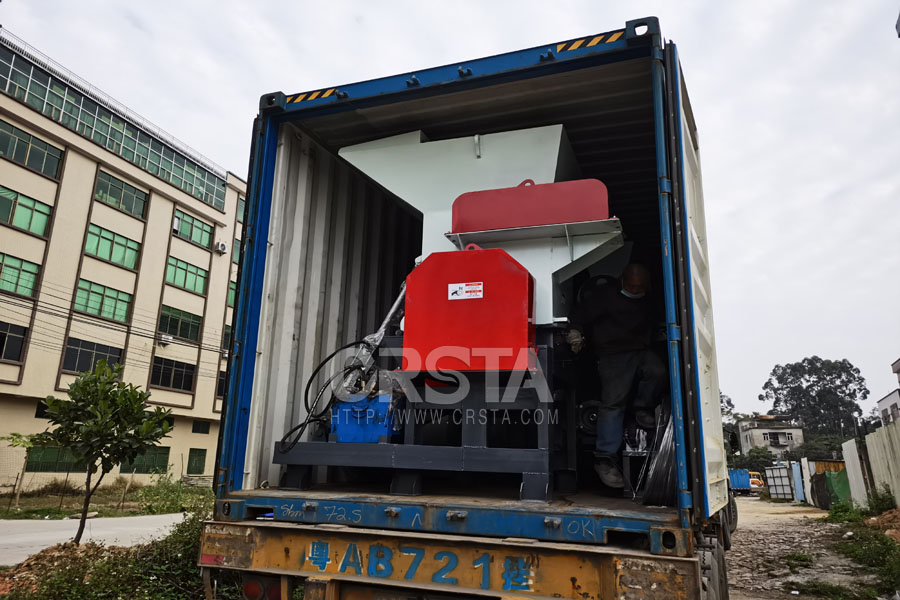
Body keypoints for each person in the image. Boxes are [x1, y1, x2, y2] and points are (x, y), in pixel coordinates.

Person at [567, 263, 666, 489]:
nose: (635, 290)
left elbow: (658, 318)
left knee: (657, 372)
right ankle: (604, 458)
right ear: (622, 280)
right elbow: (579, 315)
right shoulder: (604, 296)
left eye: (640, 287)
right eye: (632, 286)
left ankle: (642, 408)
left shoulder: (648, 300)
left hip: (640, 349)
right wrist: (575, 331)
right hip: (612, 354)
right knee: (613, 404)